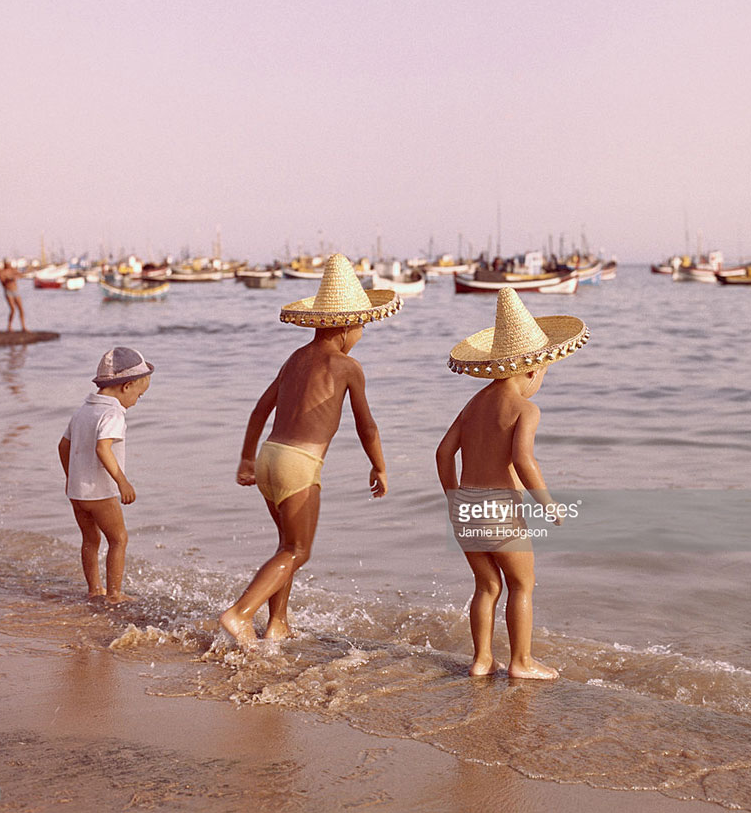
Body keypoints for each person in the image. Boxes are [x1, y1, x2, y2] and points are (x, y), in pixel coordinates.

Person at [220, 253, 402, 645]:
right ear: (347, 326)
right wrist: (379, 466)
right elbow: (366, 425)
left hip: (269, 455)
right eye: (362, 327)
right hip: (299, 464)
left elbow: (259, 411)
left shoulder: (295, 358)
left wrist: (247, 458)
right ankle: (239, 614)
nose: (361, 335)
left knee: (286, 546)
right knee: (298, 551)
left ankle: (278, 623)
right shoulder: (346, 366)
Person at [436, 287, 589, 678]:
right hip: (500, 509)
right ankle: (521, 661)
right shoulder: (526, 408)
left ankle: (482, 659)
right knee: (523, 584)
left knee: (487, 585)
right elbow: (523, 459)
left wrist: (455, 498)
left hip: (467, 505)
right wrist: (549, 504)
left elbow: (442, 453)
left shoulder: (474, 403)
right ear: (533, 369)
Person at [58, 347, 154, 603]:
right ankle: (114, 594)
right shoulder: (112, 413)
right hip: (100, 493)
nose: (136, 401)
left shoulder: (83, 410)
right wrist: (122, 481)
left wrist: (71, 477)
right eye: (139, 395)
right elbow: (103, 447)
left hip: (77, 493)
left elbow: (63, 446)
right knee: (118, 539)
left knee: (90, 539)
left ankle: (94, 589)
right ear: (126, 386)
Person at [0, 259, 27, 331]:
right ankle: (9, 326)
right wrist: (10, 279)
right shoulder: (1, 272)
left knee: (21, 309)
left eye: (9, 263)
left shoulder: (13, 270)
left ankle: (23, 327)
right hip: (8, 292)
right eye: (7, 263)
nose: (9, 265)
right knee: (13, 310)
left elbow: (21, 275)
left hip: (16, 291)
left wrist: (18, 275)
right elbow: (3, 283)